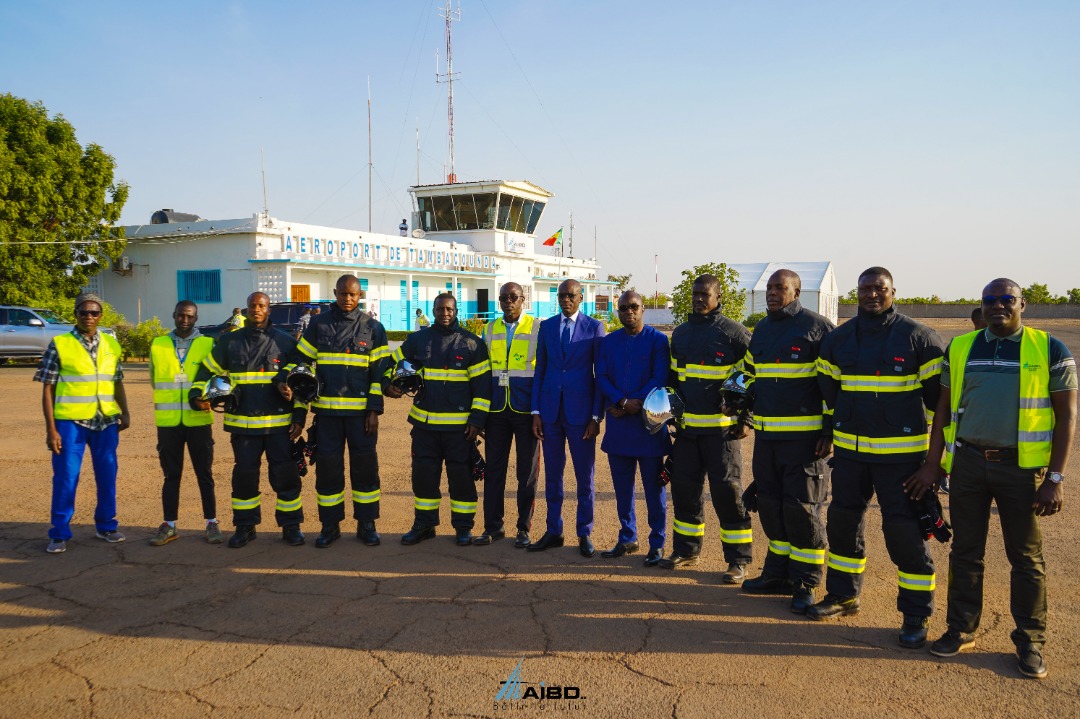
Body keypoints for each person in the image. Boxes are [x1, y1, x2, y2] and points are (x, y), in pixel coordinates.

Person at [906, 278, 1076, 679]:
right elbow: (944, 412)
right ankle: (961, 629)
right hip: (967, 464)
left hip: (1019, 470)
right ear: (981, 306)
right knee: (966, 551)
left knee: (1026, 557)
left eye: (1006, 299)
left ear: (1023, 304)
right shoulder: (962, 346)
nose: (998, 306)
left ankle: (1030, 641)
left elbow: (1067, 416)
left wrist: (1055, 477)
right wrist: (934, 464)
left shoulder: (1050, 348)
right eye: (990, 300)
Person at [810, 267, 945, 650]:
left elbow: (940, 408)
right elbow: (830, 394)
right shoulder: (838, 339)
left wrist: (934, 464)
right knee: (842, 523)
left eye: (879, 289)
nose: (872, 295)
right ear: (857, 293)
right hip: (851, 457)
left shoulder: (919, 337)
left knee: (904, 533)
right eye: (865, 288)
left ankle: (915, 614)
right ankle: (843, 596)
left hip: (903, 463)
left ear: (893, 292)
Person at [740, 270, 835, 613]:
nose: (772, 293)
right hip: (767, 439)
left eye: (780, 288)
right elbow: (750, 375)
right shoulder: (763, 329)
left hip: (805, 441)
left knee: (802, 509)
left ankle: (806, 581)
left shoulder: (817, 327)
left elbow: (831, 384)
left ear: (796, 292)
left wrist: (828, 430)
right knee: (771, 505)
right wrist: (738, 400)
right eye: (770, 288)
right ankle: (777, 574)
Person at [190, 292, 307, 548]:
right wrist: (195, 394)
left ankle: (291, 526)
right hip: (243, 426)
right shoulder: (229, 342)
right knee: (244, 478)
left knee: (285, 477)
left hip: (279, 426)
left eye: (262, 306)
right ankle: (245, 527)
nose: (257, 309)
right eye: (253, 305)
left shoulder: (286, 343)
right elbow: (205, 371)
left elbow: (300, 382)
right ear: (246, 309)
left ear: (269, 310)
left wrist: (299, 416)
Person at [660, 274, 754, 583]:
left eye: (705, 294)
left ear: (718, 297)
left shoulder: (735, 334)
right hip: (687, 434)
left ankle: (738, 560)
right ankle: (687, 551)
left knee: (727, 495)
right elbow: (674, 381)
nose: (699, 299)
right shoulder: (682, 334)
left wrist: (746, 419)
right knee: (685, 492)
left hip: (722, 435)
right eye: (695, 294)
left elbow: (751, 379)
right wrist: (670, 415)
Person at [289, 275, 390, 548]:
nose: (347, 299)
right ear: (335, 293)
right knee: (328, 473)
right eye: (343, 294)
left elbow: (378, 374)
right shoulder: (319, 325)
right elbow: (302, 364)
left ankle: (366, 524)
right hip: (327, 417)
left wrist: (374, 410)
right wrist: (301, 410)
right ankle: (329, 526)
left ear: (361, 296)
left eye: (353, 295)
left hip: (361, 418)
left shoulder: (373, 327)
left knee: (366, 471)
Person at [386, 292, 491, 545]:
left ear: (456, 312)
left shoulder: (472, 344)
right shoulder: (418, 341)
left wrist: (476, 421)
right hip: (424, 427)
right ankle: (424, 525)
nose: (445, 313)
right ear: (432, 311)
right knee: (423, 478)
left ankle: (463, 527)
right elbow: (390, 363)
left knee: (462, 480)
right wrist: (389, 385)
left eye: (449, 309)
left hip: (459, 430)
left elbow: (483, 387)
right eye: (440, 309)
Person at [36, 293, 131, 553]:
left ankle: (106, 526)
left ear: (101, 316)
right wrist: (51, 429)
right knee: (66, 477)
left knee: (107, 475)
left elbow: (117, 380)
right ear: (75, 314)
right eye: (84, 312)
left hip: (106, 421)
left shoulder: (111, 344)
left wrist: (126, 412)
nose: (89, 317)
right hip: (71, 423)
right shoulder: (60, 344)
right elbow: (48, 388)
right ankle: (59, 532)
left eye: (94, 313)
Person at [528, 279, 606, 558]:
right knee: (553, 476)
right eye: (561, 296)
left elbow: (600, 376)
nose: (565, 300)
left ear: (580, 297)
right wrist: (536, 412)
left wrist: (596, 416)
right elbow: (541, 371)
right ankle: (553, 530)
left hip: (581, 414)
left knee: (585, 476)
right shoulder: (547, 326)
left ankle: (584, 532)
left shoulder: (594, 327)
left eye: (571, 296)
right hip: (550, 413)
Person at [595, 291, 671, 566]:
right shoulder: (609, 342)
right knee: (623, 488)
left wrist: (634, 403)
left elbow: (660, 376)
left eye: (634, 307)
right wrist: (621, 400)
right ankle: (627, 536)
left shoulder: (658, 341)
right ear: (618, 311)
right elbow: (601, 375)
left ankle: (657, 542)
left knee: (654, 488)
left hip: (648, 426)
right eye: (624, 307)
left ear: (643, 310)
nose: (629, 311)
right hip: (619, 425)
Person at [148, 301, 221, 546]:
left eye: (190, 316)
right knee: (171, 475)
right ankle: (169, 525)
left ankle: (211, 522)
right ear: (174, 315)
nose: (185, 320)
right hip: (168, 423)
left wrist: (206, 398)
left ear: (196, 317)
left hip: (198, 420)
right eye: (181, 315)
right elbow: (153, 378)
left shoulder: (208, 344)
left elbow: (218, 378)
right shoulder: (158, 344)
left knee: (205, 474)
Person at [476, 282, 539, 547]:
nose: (508, 302)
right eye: (503, 298)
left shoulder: (537, 328)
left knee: (527, 472)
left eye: (513, 297)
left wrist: (538, 411)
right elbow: (481, 373)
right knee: (494, 471)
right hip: (496, 410)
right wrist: (479, 414)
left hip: (526, 411)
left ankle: (523, 529)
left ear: (523, 299)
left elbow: (542, 373)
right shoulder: (489, 329)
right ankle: (493, 527)